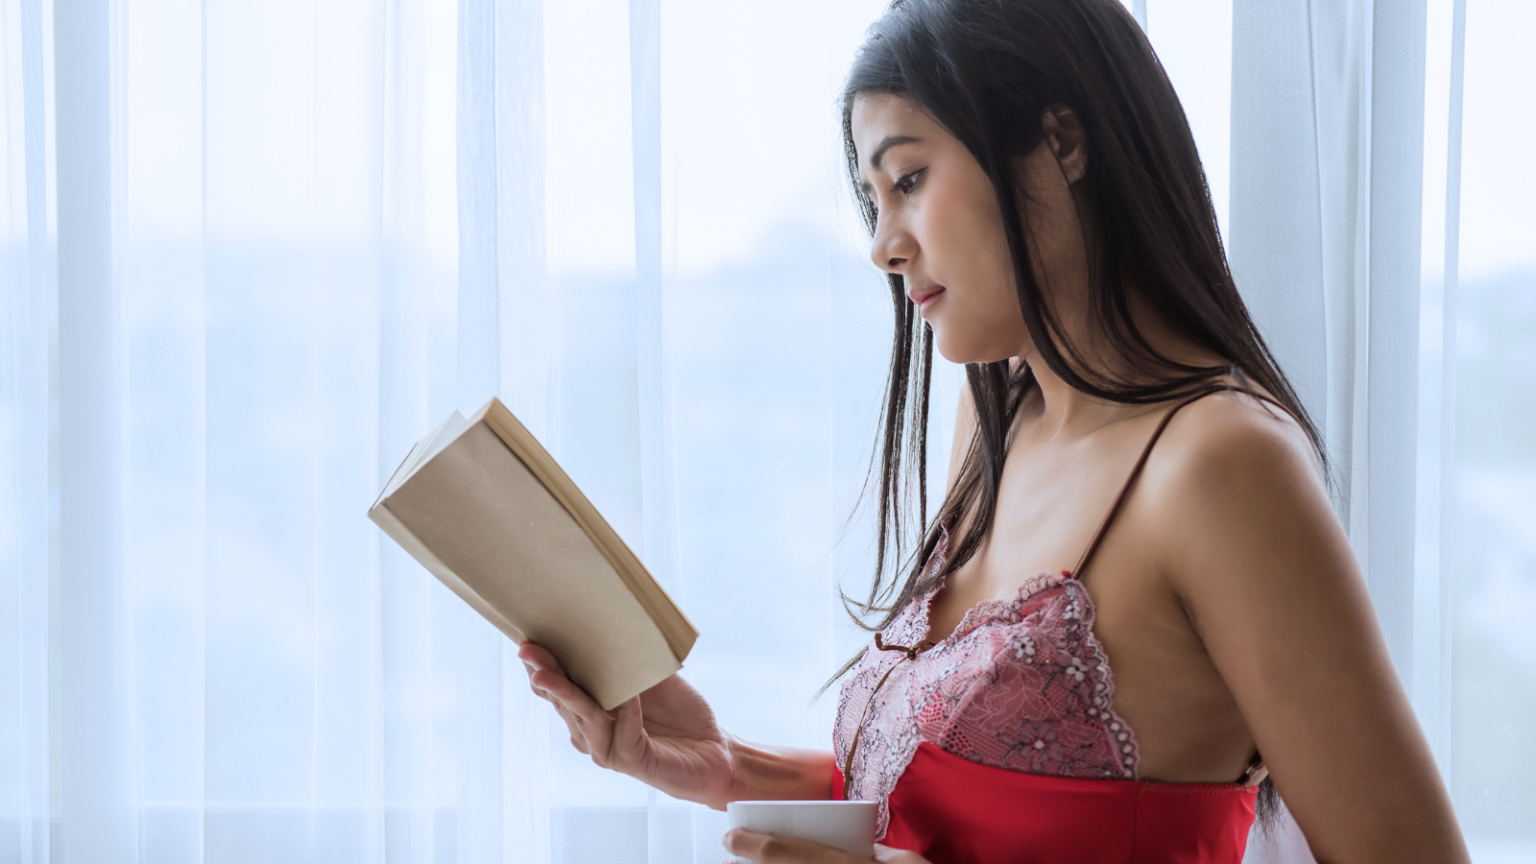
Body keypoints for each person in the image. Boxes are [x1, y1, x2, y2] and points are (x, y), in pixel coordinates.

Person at [519, 0, 1471, 861]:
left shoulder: (1221, 466)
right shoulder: (996, 425)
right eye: (874, 200)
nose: (882, 245)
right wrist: (728, 764)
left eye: (909, 178)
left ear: (1061, 142)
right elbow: (959, 812)